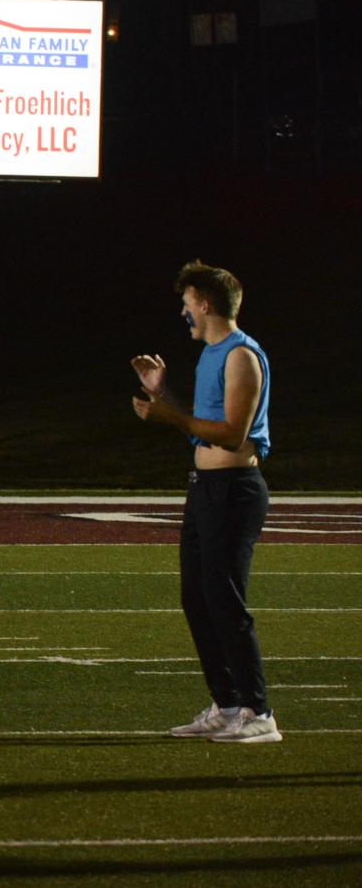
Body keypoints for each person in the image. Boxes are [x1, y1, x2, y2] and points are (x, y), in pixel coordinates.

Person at [131, 261, 280, 744]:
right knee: (197, 598)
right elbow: (202, 423)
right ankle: (228, 702)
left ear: (207, 303)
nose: (183, 312)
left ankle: (259, 713)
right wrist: (165, 396)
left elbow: (232, 435)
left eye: (188, 303)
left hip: (234, 492)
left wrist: (168, 417)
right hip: (205, 490)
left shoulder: (241, 356)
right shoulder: (211, 355)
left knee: (225, 600)